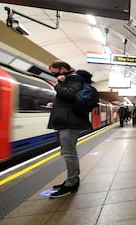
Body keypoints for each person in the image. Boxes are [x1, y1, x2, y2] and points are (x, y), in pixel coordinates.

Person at [47, 60, 92, 198]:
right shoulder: (70, 80)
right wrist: (54, 105)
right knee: (67, 152)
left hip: (70, 122)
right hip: (67, 120)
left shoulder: (74, 79)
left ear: (62, 69)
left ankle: (72, 183)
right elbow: (68, 100)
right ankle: (71, 180)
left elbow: (70, 95)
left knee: (68, 153)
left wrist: (59, 84)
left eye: (53, 71)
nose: (53, 74)